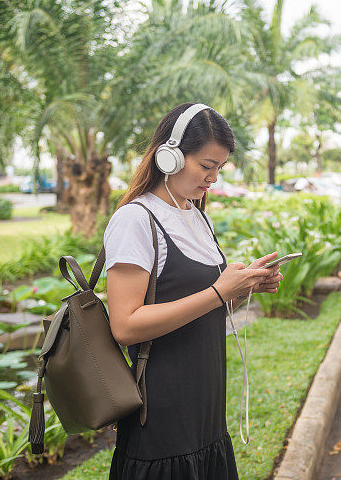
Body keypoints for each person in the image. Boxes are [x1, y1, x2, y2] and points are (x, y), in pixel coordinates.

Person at [104, 103, 281, 479]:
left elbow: (199, 308)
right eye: (206, 166)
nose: (213, 179)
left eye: (219, 168)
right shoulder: (136, 219)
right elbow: (125, 325)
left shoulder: (196, 215)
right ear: (168, 157)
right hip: (163, 419)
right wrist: (219, 292)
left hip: (206, 411)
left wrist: (244, 289)